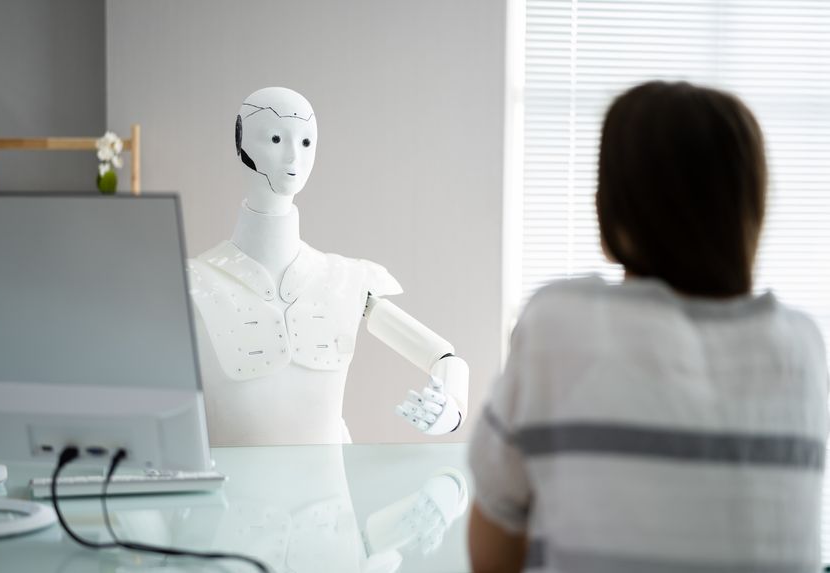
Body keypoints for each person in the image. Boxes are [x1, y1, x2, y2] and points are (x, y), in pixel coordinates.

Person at [467, 81, 829, 573]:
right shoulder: (803, 348)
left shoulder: (562, 324)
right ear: (751, 208)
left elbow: (494, 544)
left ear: (612, 208)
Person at [187, 87, 469, 445]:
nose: (293, 156)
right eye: (275, 138)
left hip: (332, 497)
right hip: (233, 497)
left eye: (305, 142)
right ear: (241, 141)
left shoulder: (346, 278)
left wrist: (452, 407)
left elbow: (445, 357)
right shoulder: (193, 282)